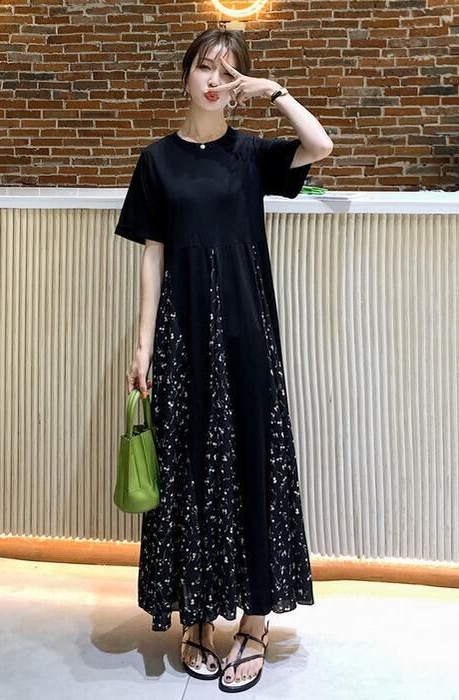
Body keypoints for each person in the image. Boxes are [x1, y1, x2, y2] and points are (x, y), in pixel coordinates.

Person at [115, 27, 333, 693]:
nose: (216, 81)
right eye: (206, 68)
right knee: (188, 472)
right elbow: (152, 254)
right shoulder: (157, 160)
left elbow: (320, 145)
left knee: (253, 465)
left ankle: (255, 624)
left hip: (246, 333)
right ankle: (195, 619)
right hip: (181, 336)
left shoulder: (251, 153)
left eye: (230, 72)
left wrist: (275, 92)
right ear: (186, 74)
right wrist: (143, 343)